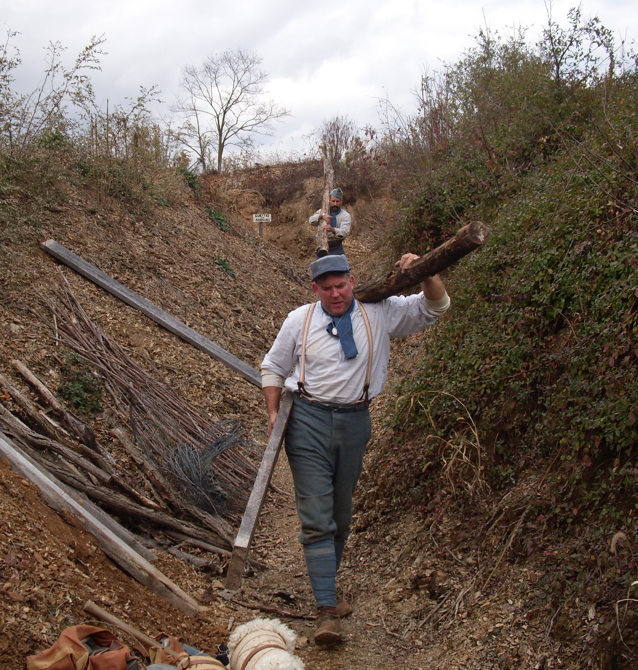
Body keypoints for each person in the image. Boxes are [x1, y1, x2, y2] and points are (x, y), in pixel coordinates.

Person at [260, 253, 450, 646]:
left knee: (341, 516)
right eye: (326, 288)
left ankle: (327, 586)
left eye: (341, 285)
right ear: (315, 289)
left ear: (352, 280)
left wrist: (428, 272)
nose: (335, 294)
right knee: (316, 516)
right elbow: (273, 367)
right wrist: (274, 411)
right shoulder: (300, 319)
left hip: (355, 423)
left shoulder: (379, 312)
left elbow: (436, 307)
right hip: (307, 422)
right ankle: (326, 611)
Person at [309, 187, 351, 256]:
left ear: (341, 201)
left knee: (341, 266)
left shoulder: (345, 215)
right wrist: (321, 216)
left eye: (337, 201)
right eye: (333, 201)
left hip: (336, 246)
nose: (335, 204)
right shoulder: (322, 211)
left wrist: (332, 230)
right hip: (321, 247)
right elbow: (311, 221)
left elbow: (344, 232)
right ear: (329, 200)